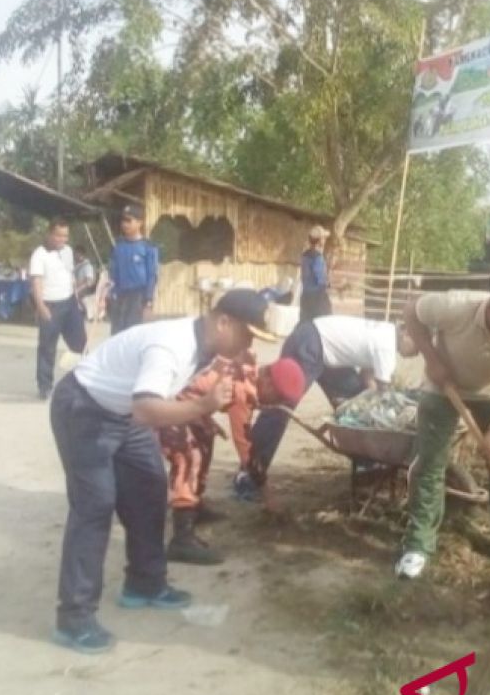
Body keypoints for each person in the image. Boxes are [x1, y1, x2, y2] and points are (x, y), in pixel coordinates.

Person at [49, 288, 277, 654]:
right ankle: (73, 618)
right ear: (223, 322)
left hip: (124, 414)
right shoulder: (170, 347)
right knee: (95, 506)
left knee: (149, 489)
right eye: (247, 334)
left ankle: (144, 582)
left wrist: (200, 415)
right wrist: (202, 405)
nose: (249, 344)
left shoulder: (206, 348)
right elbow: (146, 409)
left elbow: (152, 406)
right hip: (86, 409)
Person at [395, 279, 490, 580]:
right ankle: (419, 545)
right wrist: (432, 359)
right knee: (430, 460)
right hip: (443, 387)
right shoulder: (456, 306)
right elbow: (411, 310)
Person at [239, 315, 417, 502]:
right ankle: (249, 475)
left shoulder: (384, 333)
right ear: (406, 333)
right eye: (418, 346)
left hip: (326, 352)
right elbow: (384, 393)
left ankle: (368, 465)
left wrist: (366, 403)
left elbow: (368, 382)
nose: (417, 353)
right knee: (281, 405)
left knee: (355, 402)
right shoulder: (387, 345)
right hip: (311, 345)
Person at [162, 354, 306, 564]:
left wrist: (205, 419)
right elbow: (246, 450)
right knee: (189, 457)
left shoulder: (248, 374)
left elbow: (199, 392)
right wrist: (268, 494)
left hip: (188, 405)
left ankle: (195, 508)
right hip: (166, 406)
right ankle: (181, 539)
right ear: (266, 380)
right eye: (275, 397)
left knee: (204, 439)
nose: (273, 405)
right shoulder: (241, 390)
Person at [30, 219, 86, 399]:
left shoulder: (68, 251)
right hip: (50, 305)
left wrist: (76, 298)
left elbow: (70, 275)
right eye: (59, 235)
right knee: (47, 347)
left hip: (69, 303)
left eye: (65, 236)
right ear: (50, 234)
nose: (62, 239)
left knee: (80, 344)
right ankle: (44, 386)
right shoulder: (39, 255)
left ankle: (83, 382)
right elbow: (36, 282)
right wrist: (41, 306)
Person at [105, 205, 159, 335]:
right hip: (119, 296)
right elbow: (113, 273)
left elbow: (152, 276)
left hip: (138, 297)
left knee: (133, 334)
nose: (125, 224)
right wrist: (108, 294)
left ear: (140, 222)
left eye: (129, 220)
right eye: (123, 220)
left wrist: (148, 302)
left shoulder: (148, 247)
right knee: (116, 334)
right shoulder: (118, 245)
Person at [298, 226, 332, 322]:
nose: (325, 240)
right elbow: (321, 281)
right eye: (324, 238)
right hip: (317, 298)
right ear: (320, 241)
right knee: (324, 324)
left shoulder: (304, 256)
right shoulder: (317, 258)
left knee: (305, 324)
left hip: (305, 296)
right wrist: (331, 284)